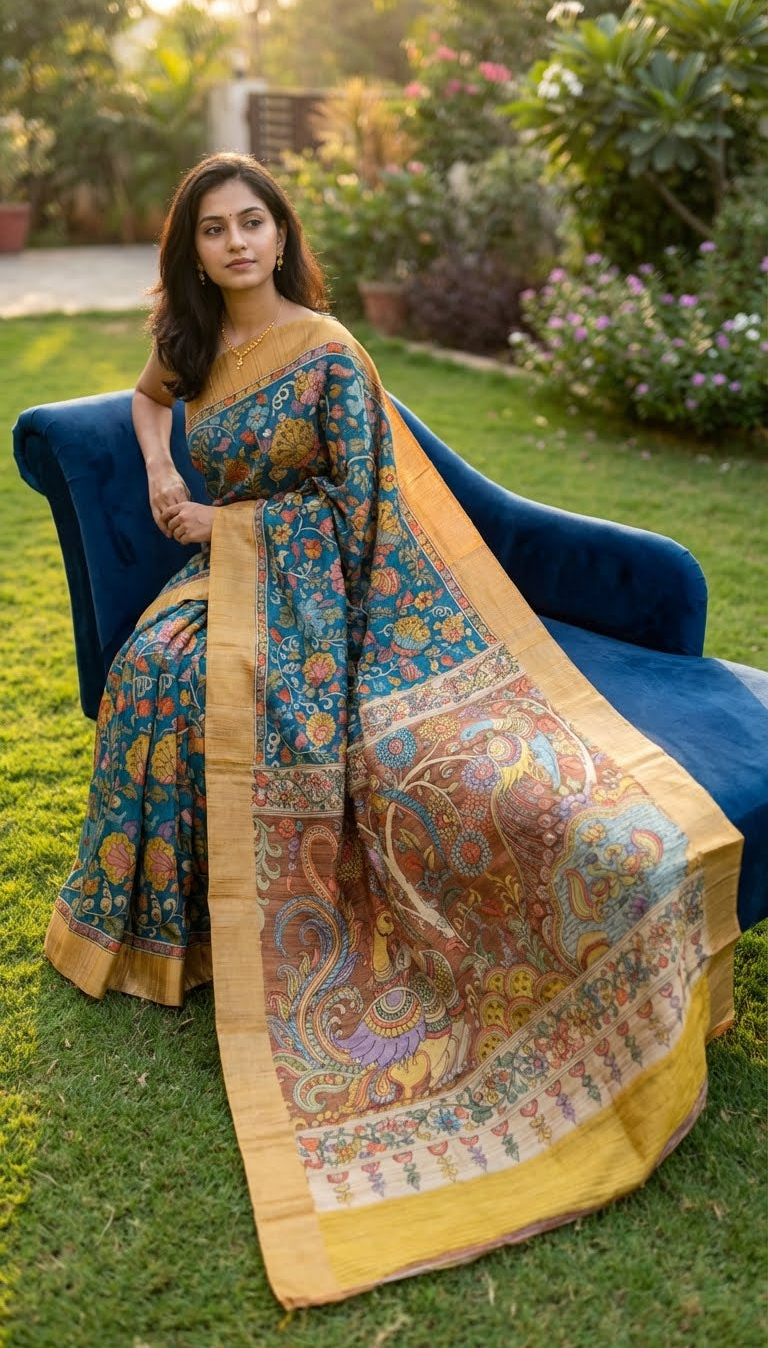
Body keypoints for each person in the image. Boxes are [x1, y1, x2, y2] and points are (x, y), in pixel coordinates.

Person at [44, 152, 741, 1308]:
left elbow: (358, 508)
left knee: (235, 697)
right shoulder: (190, 343)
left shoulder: (326, 349)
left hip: (319, 593)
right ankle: (164, 937)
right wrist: (165, 471)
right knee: (154, 677)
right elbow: (149, 398)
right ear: (194, 247)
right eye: (213, 229)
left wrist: (226, 523)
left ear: (280, 233)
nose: (235, 245)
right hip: (212, 589)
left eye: (252, 224)